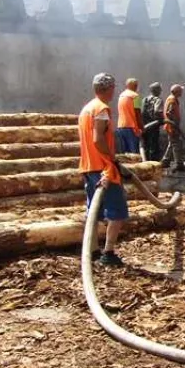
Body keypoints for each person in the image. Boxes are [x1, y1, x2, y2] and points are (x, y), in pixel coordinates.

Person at [78, 72, 128, 266]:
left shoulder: (86, 109)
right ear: (109, 89)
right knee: (117, 211)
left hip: (88, 166)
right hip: (103, 168)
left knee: (93, 212)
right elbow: (97, 139)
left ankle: (92, 251)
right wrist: (111, 160)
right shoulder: (102, 109)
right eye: (114, 88)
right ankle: (108, 253)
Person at [161, 84, 185, 172]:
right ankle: (179, 164)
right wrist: (174, 124)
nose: (182, 92)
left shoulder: (172, 98)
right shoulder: (172, 100)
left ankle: (165, 161)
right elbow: (169, 113)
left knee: (172, 143)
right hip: (172, 127)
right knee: (176, 144)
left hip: (171, 126)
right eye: (181, 91)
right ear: (177, 92)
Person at [116, 78, 143, 154]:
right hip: (131, 127)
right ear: (136, 86)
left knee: (125, 154)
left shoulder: (121, 96)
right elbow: (138, 113)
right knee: (134, 154)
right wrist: (142, 127)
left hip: (120, 126)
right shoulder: (135, 96)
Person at [141, 82, 164, 161]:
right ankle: (154, 163)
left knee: (145, 145)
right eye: (160, 90)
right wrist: (162, 120)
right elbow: (157, 111)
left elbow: (142, 112)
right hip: (154, 126)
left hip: (145, 125)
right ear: (157, 90)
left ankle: (146, 163)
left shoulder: (145, 99)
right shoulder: (158, 100)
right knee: (154, 145)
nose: (161, 91)